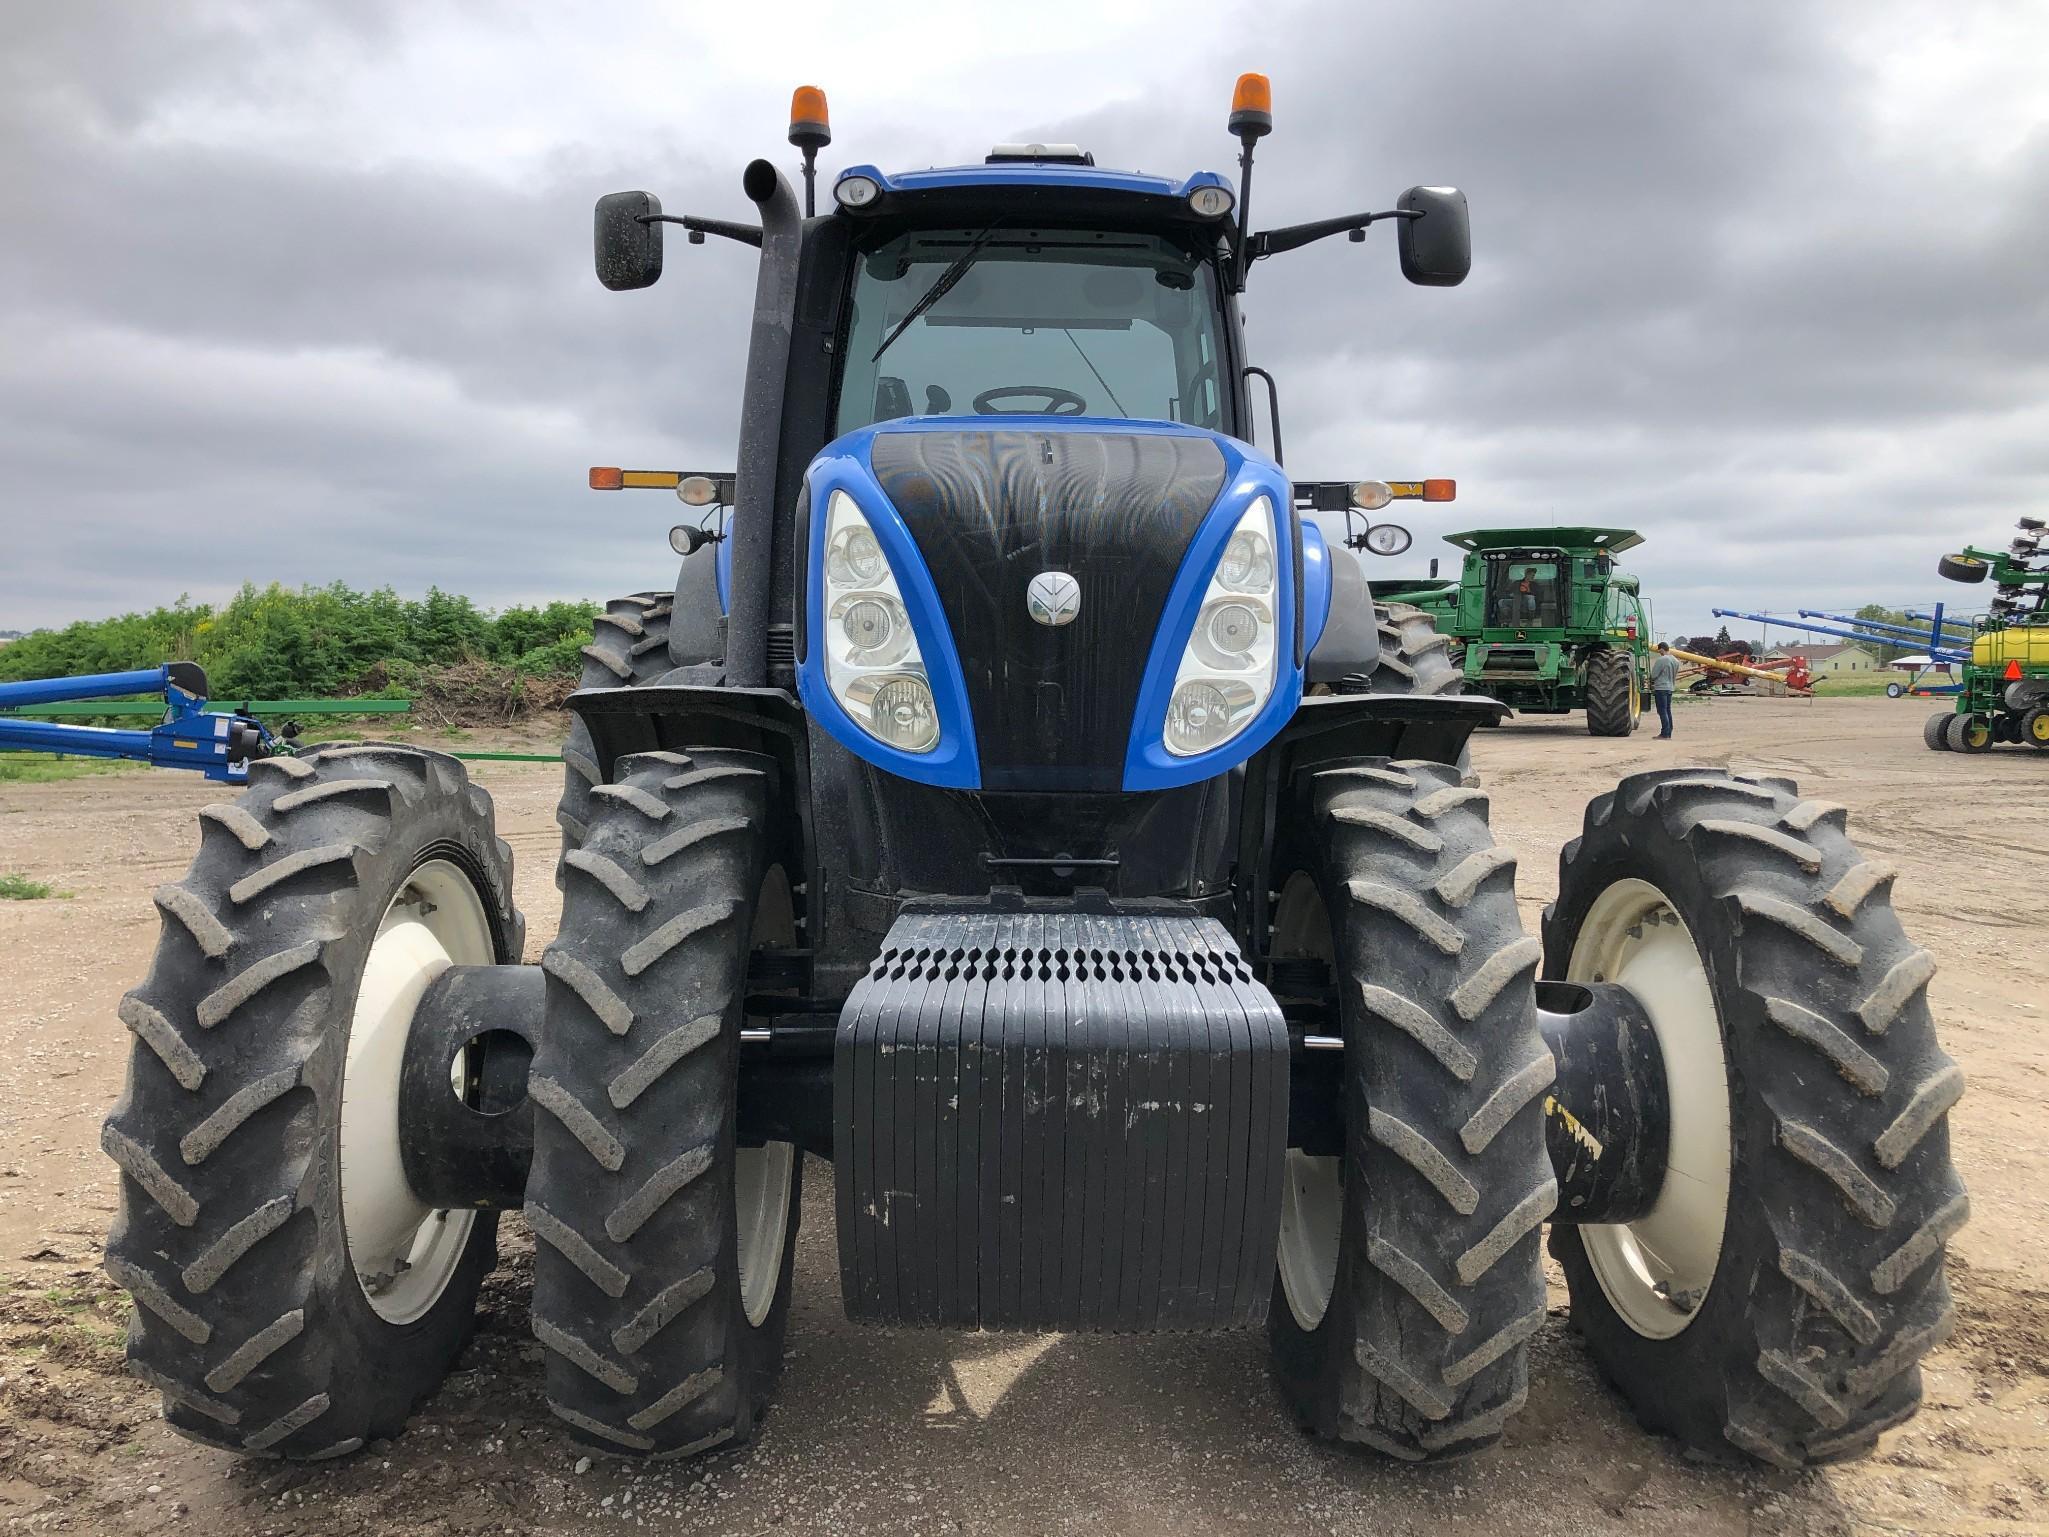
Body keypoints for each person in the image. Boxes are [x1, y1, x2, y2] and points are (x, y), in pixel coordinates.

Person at [1649, 642, 1680, 738]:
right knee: (1668, 710)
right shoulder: (1675, 660)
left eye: (1659, 651)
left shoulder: (1662, 660)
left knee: (1662, 711)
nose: (1659, 652)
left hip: (1661, 687)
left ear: (1661, 649)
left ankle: (1664, 733)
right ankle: (1669, 732)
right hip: (1670, 687)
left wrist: (1650, 681)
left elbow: (1654, 675)